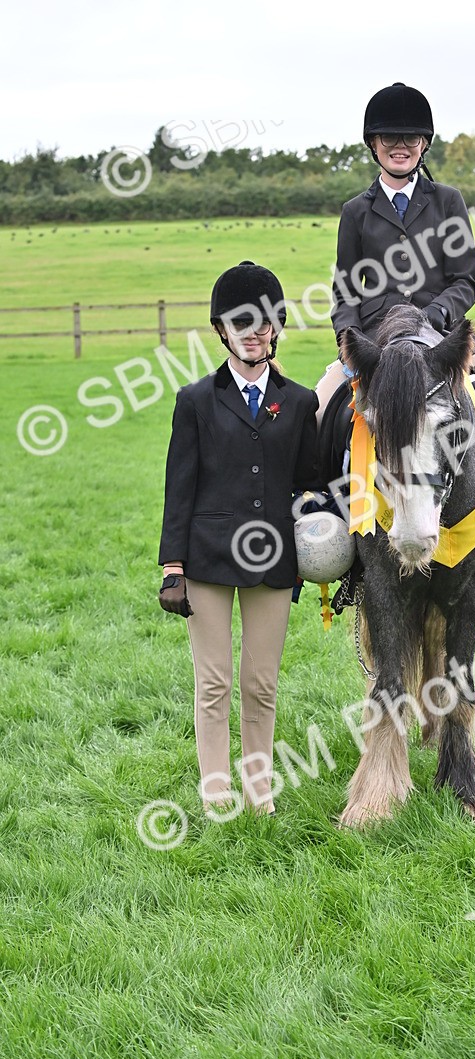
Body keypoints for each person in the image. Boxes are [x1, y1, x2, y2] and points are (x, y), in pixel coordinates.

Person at [315, 82, 475, 567]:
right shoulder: (356, 213)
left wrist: (436, 317)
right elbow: (343, 291)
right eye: (389, 139)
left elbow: (465, 281)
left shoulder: (447, 201)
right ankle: (332, 519)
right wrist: (348, 346)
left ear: (424, 144)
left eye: (411, 138)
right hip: (376, 347)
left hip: (444, 342)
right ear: (373, 145)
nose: (400, 146)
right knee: (316, 412)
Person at [158, 261, 318, 816]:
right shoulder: (195, 400)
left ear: (276, 328)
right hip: (205, 561)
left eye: (265, 321)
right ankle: (215, 794)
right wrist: (172, 566)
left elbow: (312, 487)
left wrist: (323, 547)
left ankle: (259, 791)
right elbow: (179, 488)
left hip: (275, 563)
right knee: (214, 684)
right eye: (241, 321)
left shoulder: (300, 403)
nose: (255, 331)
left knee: (260, 684)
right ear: (222, 330)